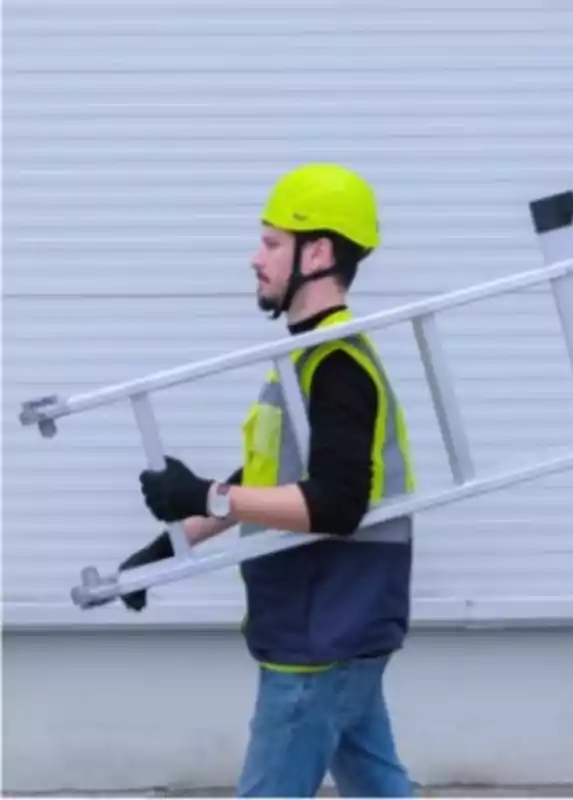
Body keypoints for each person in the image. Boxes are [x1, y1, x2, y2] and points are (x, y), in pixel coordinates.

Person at [116, 163, 418, 797]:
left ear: (319, 252)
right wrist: (170, 544)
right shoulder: (308, 358)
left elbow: (337, 503)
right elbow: (266, 478)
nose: (256, 259)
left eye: (272, 243)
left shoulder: (336, 364)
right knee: (379, 787)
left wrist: (204, 493)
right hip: (339, 625)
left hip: (321, 634)